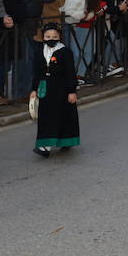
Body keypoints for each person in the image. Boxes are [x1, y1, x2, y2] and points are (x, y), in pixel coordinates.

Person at [32, 22, 79, 156]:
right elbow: (36, 71)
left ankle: (66, 140)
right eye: (48, 36)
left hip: (62, 88)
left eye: (54, 36)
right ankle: (44, 145)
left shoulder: (65, 52)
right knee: (46, 115)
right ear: (43, 37)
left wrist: (72, 91)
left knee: (63, 115)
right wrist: (34, 89)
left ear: (60, 37)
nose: (51, 39)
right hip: (45, 88)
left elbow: (70, 73)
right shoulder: (39, 51)